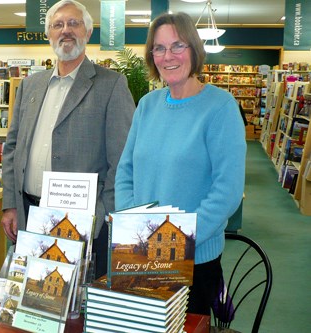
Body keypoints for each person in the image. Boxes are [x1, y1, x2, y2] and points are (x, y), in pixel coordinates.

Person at [114, 12, 246, 316]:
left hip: (194, 262)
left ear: (194, 50)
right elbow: (126, 172)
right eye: (159, 48)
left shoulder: (220, 107)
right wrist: (135, 229)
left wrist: (175, 244)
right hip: (140, 254)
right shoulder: (147, 105)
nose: (167, 56)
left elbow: (227, 190)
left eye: (177, 46)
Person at [1, 0, 135, 279]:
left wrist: (102, 215)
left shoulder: (111, 84)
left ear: (88, 32)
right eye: (58, 25)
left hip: (80, 220)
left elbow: (122, 161)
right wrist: (10, 204)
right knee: (32, 299)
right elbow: (13, 148)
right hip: (28, 212)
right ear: (48, 34)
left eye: (74, 23)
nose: (66, 31)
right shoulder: (30, 85)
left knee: (75, 306)